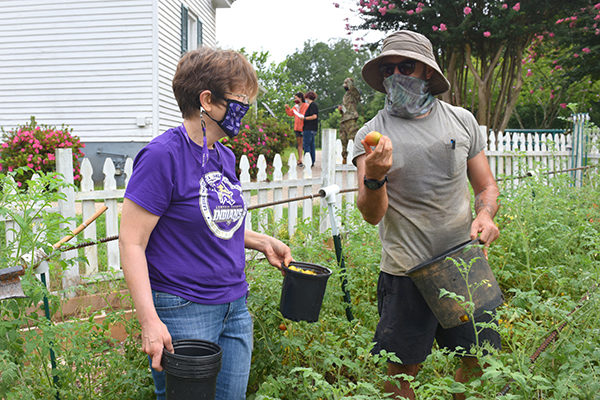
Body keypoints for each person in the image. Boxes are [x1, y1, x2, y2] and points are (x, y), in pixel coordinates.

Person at [119, 46, 294, 400]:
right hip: (184, 307)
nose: (246, 109)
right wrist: (149, 321)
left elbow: (213, 221)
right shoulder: (162, 156)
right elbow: (131, 242)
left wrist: (260, 241)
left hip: (234, 305)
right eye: (241, 100)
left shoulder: (224, 156)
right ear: (208, 101)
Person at [352, 30, 501, 400]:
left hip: (463, 264)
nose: (396, 75)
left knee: (480, 361)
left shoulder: (461, 121)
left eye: (406, 66)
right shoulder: (370, 135)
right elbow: (372, 215)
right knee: (401, 374)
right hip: (406, 271)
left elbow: (486, 187)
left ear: (428, 73)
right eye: (388, 68)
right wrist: (374, 176)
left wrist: (485, 215)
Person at [338, 77, 361, 164]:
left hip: (351, 119)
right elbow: (346, 109)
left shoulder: (354, 94)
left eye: (346, 84)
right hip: (344, 119)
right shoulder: (346, 95)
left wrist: (348, 80)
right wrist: (341, 109)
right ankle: (344, 157)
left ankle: (355, 158)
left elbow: (352, 88)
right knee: (343, 139)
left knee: (352, 138)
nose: (345, 86)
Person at [284, 92, 309, 167]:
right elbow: (290, 114)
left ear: (300, 98)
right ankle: (300, 159)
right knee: (299, 144)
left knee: (305, 143)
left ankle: (307, 158)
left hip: (304, 127)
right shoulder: (295, 107)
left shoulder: (306, 106)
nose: (295, 100)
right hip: (297, 127)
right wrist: (287, 108)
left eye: (296, 98)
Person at [301, 91, 318, 167]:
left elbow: (314, 116)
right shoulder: (312, 105)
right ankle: (312, 161)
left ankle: (308, 161)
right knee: (311, 145)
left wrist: (304, 118)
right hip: (312, 128)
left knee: (306, 145)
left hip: (309, 128)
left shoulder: (312, 105)